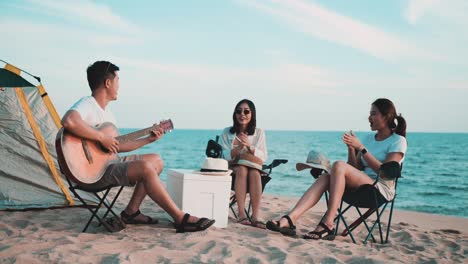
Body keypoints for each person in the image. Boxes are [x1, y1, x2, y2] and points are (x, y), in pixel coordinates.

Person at [61, 60, 215, 233]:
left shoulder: (108, 115)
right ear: (107, 82)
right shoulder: (88, 103)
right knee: (144, 167)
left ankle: (131, 212)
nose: (119, 86)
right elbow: (69, 121)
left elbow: (116, 147)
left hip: (107, 164)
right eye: (117, 80)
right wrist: (101, 137)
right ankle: (180, 218)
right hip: (92, 173)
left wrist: (147, 140)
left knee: (156, 160)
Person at [266, 98, 407, 239]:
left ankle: (328, 222)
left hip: (378, 191)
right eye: (370, 114)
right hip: (359, 186)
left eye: (373, 114)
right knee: (326, 176)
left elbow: (385, 173)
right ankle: (290, 219)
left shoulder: (398, 141)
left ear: (386, 116)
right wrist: (351, 149)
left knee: (338, 165)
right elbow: (354, 168)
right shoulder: (369, 138)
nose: (369, 118)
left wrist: (361, 148)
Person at [220, 99, 268, 229]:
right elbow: (223, 156)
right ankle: (241, 214)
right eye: (239, 111)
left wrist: (249, 147)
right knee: (242, 169)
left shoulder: (258, 133)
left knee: (254, 172)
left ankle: (255, 216)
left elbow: (263, 156)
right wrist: (237, 148)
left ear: (252, 114)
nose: (242, 114)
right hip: (233, 168)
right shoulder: (227, 132)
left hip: (252, 167)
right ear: (235, 114)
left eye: (246, 111)